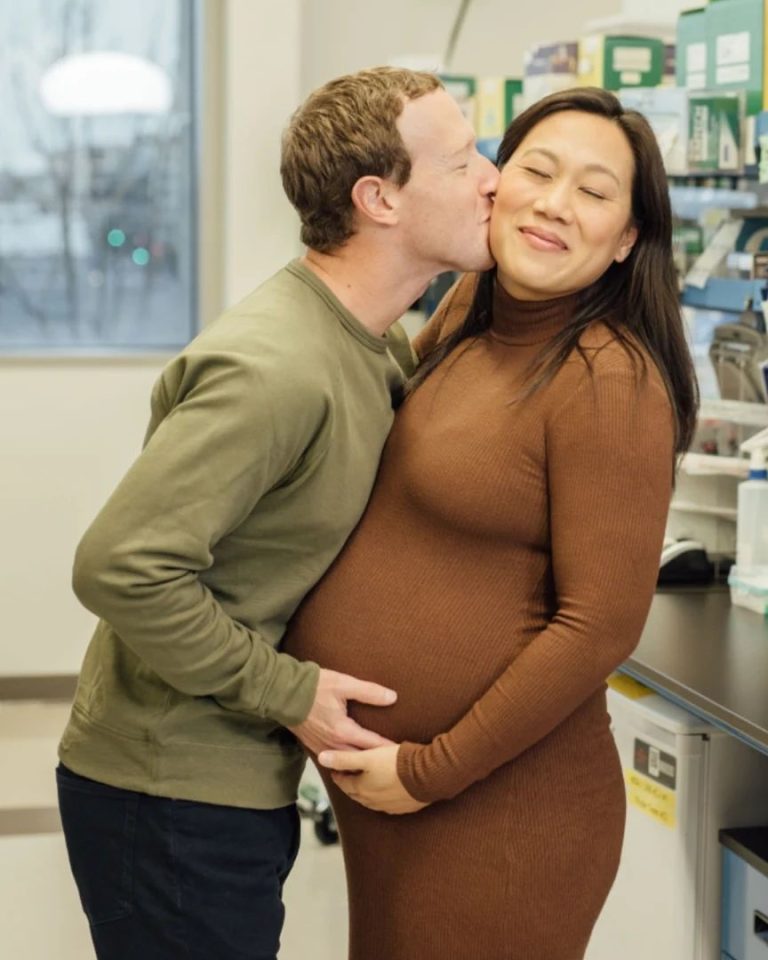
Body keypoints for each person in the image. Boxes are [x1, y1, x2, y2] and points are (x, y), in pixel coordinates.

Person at [55, 66, 498, 960]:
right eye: (462, 162)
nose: (494, 178)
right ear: (379, 198)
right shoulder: (276, 368)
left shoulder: (375, 341)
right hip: (169, 791)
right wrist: (291, 693)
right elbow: (120, 567)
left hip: (225, 783)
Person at [282, 86, 699, 960]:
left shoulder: (609, 378)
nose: (554, 204)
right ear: (491, 183)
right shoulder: (471, 308)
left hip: (500, 809)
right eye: (536, 171)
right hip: (398, 800)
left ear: (628, 237)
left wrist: (427, 771)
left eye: (594, 191)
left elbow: (598, 627)